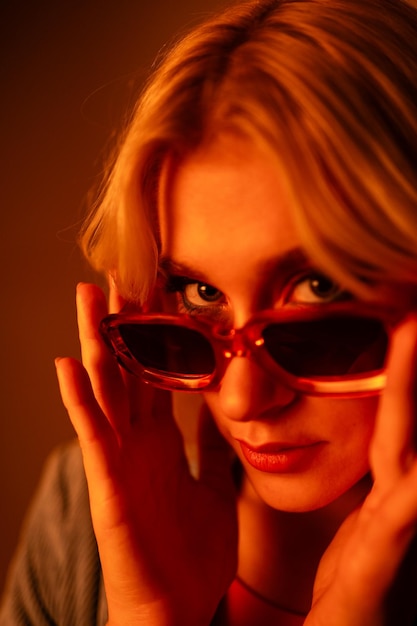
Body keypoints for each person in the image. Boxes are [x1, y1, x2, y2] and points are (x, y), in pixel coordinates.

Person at [2, 0, 417, 623]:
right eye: (200, 292)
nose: (240, 400)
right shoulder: (89, 508)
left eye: (319, 287)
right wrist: (147, 615)